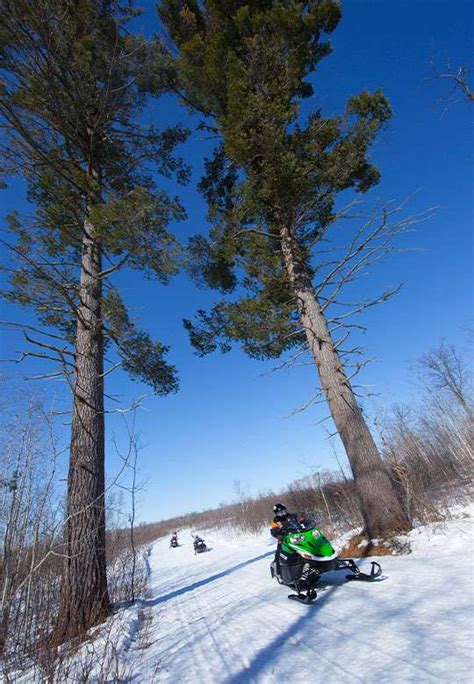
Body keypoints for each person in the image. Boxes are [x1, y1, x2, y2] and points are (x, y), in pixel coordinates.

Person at [270, 503, 299, 571]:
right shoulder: (275, 521)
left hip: (296, 537)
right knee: (279, 553)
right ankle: (278, 570)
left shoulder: (292, 516)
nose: (283, 514)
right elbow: (274, 530)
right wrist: (277, 531)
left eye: (284, 511)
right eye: (280, 513)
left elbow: (300, 521)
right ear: (276, 513)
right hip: (283, 540)